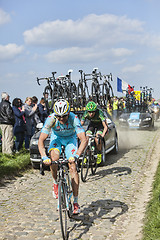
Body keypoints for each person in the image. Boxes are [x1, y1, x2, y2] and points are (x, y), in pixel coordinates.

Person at [38, 99, 87, 214]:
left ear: (68, 113)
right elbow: (41, 140)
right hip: (57, 139)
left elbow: (83, 139)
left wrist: (77, 155)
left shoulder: (73, 118)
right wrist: (44, 157)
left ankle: (75, 202)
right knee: (53, 159)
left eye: (63, 116)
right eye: (58, 116)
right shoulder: (51, 119)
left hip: (70, 140)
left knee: (73, 166)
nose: (61, 119)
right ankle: (55, 182)